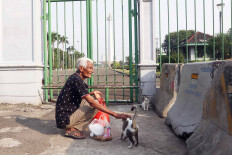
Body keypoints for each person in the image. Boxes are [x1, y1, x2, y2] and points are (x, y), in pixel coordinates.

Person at [55, 57, 131, 139]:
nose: (92, 71)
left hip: (63, 117)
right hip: (65, 120)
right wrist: (116, 114)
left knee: (93, 99)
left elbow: (78, 95)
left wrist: (92, 93)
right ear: (81, 68)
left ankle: (72, 126)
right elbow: (92, 103)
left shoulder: (75, 77)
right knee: (95, 105)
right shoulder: (77, 80)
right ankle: (72, 129)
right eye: (90, 68)